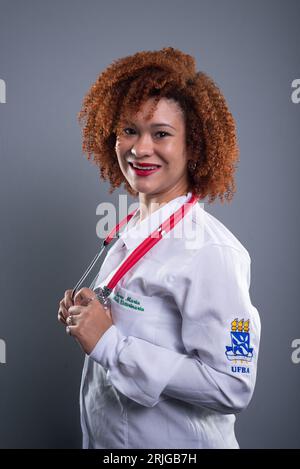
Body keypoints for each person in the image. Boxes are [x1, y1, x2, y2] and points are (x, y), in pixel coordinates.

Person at [57, 47, 261, 449]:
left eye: (161, 134)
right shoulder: (131, 228)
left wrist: (110, 344)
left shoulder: (213, 251)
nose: (139, 148)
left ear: (194, 145)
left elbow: (234, 385)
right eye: (129, 130)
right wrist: (89, 314)